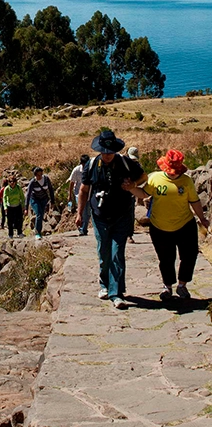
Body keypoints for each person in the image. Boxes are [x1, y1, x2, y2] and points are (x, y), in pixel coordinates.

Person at [76, 130, 147, 309]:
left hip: (122, 215)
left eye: (110, 152)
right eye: (104, 152)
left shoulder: (125, 163)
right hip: (100, 216)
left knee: (117, 252)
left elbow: (143, 177)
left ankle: (116, 293)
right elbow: (84, 190)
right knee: (104, 252)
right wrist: (79, 214)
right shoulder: (92, 166)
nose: (107, 155)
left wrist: (133, 185)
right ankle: (104, 284)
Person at [132, 150, 209, 301]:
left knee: (189, 255)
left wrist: (202, 218)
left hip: (185, 224)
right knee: (166, 259)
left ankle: (182, 285)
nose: (173, 174)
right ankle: (167, 287)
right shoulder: (155, 178)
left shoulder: (186, 182)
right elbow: (143, 193)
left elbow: (194, 201)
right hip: (159, 226)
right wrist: (131, 189)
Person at [25, 167, 55, 239]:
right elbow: (28, 194)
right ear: (35, 175)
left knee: (41, 214)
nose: (40, 176)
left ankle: (39, 231)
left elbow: (50, 189)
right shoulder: (33, 182)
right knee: (39, 213)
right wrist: (26, 207)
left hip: (44, 199)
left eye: (41, 174)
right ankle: (37, 232)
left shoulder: (46, 179)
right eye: (38, 175)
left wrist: (53, 201)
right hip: (34, 199)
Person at [69, 155, 92, 235]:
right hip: (78, 194)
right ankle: (82, 227)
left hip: (89, 194)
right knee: (82, 211)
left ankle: (84, 228)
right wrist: (70, 195)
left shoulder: (92, 169)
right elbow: (72, 182)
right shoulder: (77, 170)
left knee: (87, 212)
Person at [2, 174, 26, 238]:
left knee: (19, 220)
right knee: (10, 221)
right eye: (10, 181)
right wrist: (5, 207)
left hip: (17, 206)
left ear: (15, 182)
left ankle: (19, 232)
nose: (12, 183)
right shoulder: (7, 189)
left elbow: (22, 197)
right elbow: (4, 198)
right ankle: (10, 234)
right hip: (10, 206)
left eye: (13, 181)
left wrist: (23, 206)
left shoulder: (18, 188)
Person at [126, 147, 140, 243]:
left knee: (130, 214)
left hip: (131, 193)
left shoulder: (137, 166)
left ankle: (129, 235)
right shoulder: (121, 163)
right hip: (120, 193)